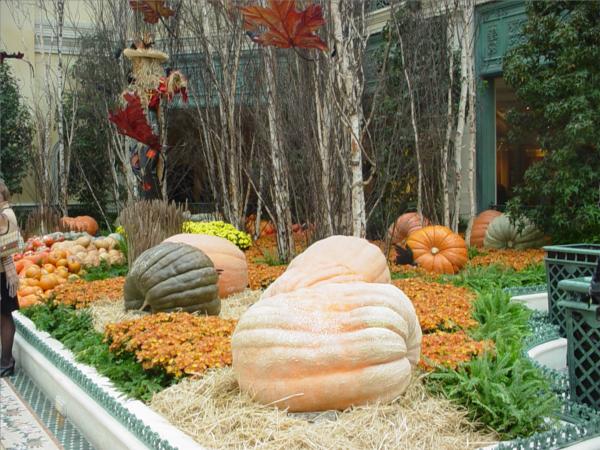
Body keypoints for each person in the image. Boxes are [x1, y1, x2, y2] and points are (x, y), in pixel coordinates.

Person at [0, 180, 20, 377]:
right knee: (2, 316)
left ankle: (7, 361)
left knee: (5, 316)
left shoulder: (5, 215)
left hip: (3, 275)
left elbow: (6, 246)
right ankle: (5, 359)